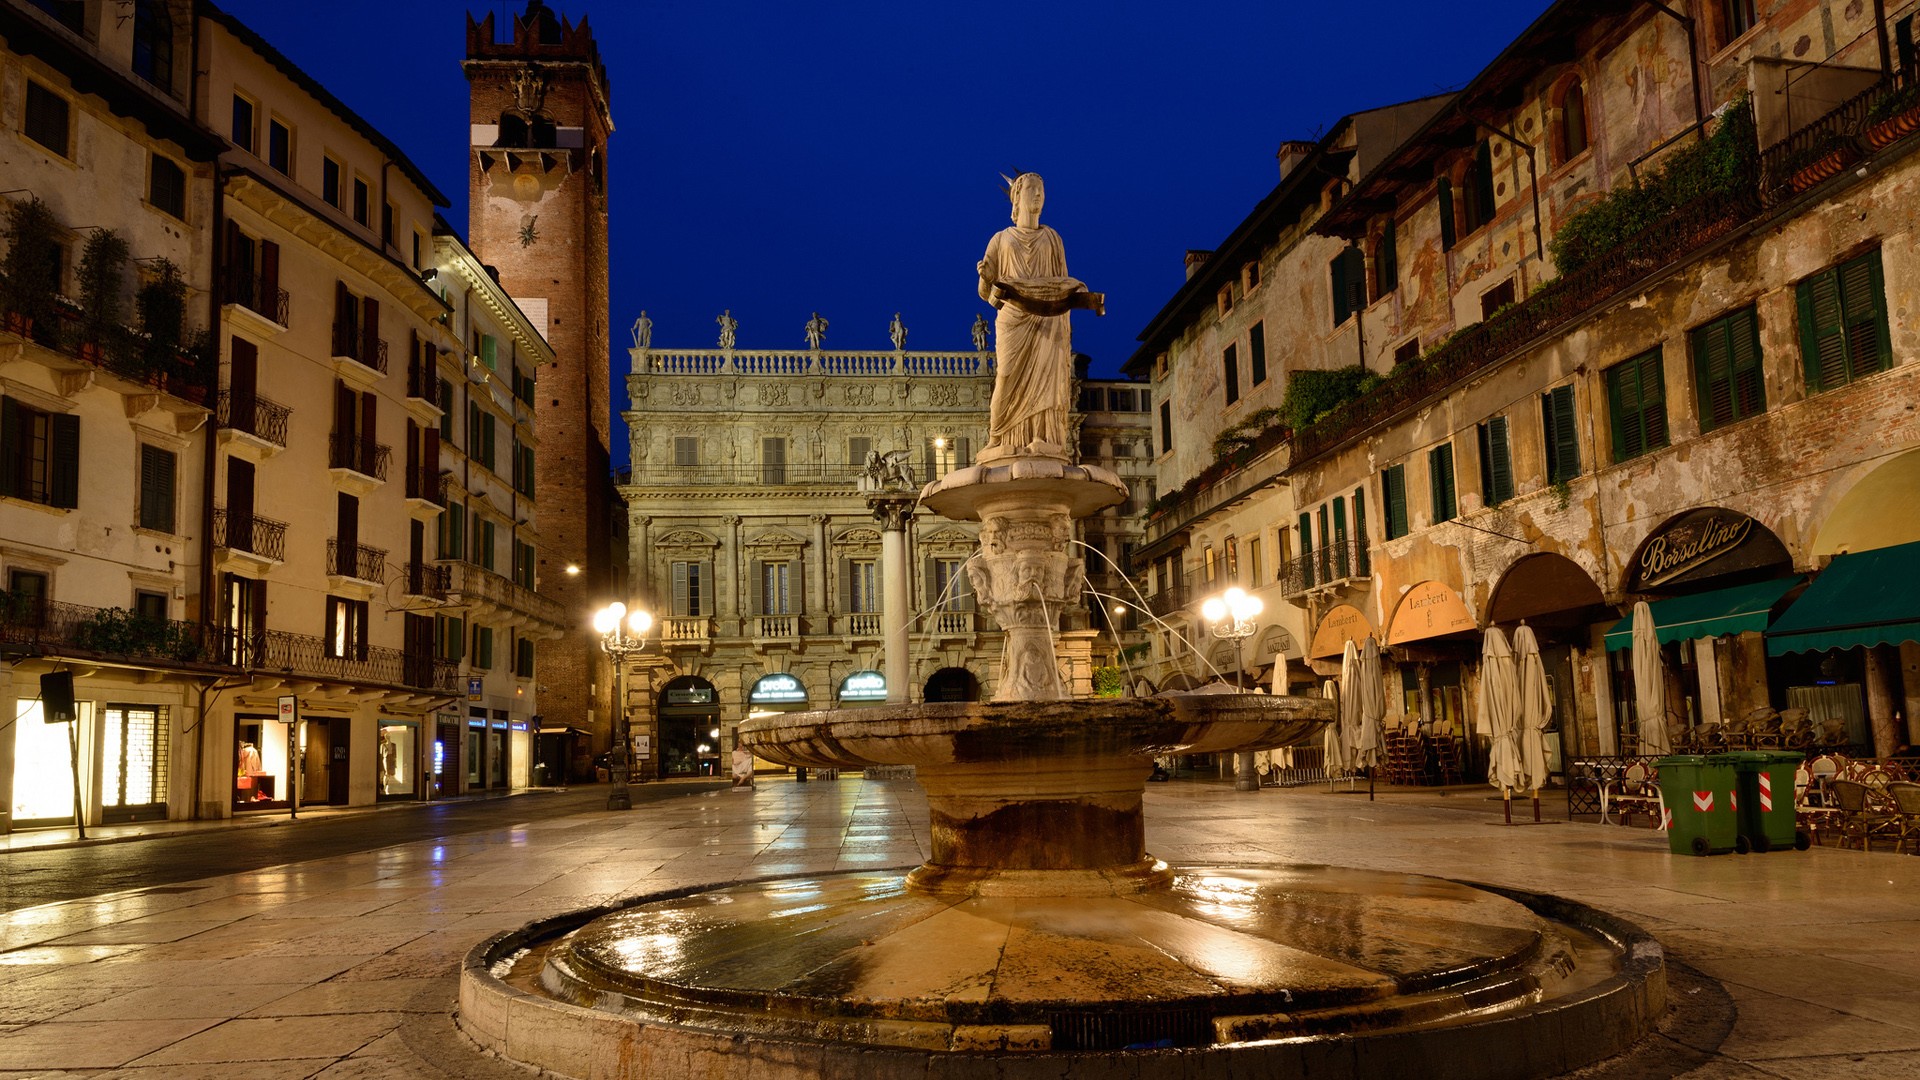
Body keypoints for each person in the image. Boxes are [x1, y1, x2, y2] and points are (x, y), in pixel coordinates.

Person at [976, 172, 1102, 460]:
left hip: (1048, 320)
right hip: (1014, 318)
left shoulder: (1052, 238)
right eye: (1032, 189)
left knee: (1049, 382)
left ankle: (1045, 438)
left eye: (1041, 191)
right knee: (1006, 377)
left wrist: (1078, 291)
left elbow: (1062, 281)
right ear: (1017, 198)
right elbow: (985, 292)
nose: (1037, 196)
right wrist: (985, 277)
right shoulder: (1000, 239)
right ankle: (998, 438)